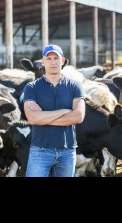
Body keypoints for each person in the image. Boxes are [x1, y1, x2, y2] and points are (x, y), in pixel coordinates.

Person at [23, 44, 85, 177]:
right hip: (40, 150)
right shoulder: (31, 87)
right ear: (43, 61)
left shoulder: (75, 86)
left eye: (56, 58)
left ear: (62, 61)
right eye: (49, 58)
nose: (53, 62)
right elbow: (33, 118)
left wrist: (43, 118)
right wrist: (64, 111)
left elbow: (78, 116)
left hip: (67, 151)